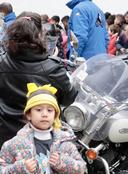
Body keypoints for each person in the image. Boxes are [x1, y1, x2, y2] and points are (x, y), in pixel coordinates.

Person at [0, 11, 77, 147]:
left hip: (5, 136)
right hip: (40, 139)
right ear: (40, 34)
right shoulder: (52, 68)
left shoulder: (2, 62)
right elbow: (69, 98)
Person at [0, 83, 86, 174]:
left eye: (50, 110)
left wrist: (62, 162)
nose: (44, 114)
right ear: (28, 114)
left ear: (55, 115)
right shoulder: (14, 144)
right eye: (38, 109)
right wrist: (21, 169)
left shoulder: (65, 144)